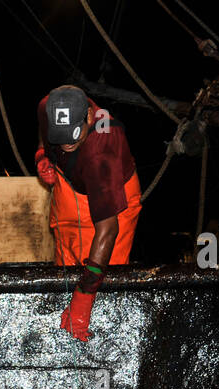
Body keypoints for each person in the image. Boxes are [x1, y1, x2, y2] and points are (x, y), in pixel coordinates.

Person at [34, 85, 141, 342]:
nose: (67, 145)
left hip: (113, 201)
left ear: (90, 118)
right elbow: (43, 134)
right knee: (64, 275)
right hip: (69, 184)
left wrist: (84, 295)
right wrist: (42, 156)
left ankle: (96, 332)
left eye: (73, 136)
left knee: (105, 282)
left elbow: (108, 228)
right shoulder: (48, 106)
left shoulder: (102, 150)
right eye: (60, 138)